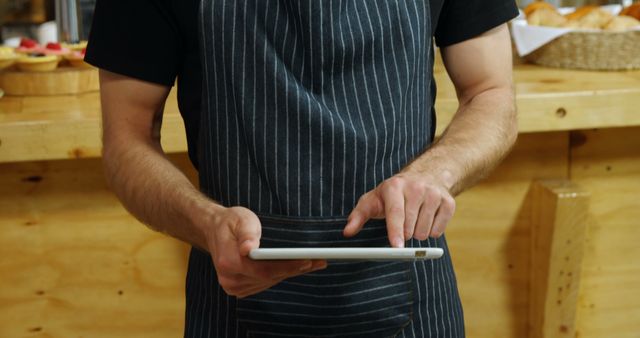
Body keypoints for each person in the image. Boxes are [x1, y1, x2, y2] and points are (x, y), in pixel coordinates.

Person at [86, 0, 518, 337]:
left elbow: (490, 93)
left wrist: (435, 174)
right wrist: (206, 223)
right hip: (234, 303)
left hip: (408, 293)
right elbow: (128, 140)